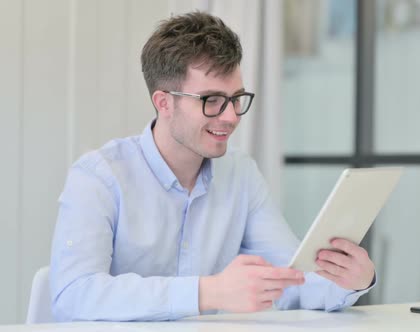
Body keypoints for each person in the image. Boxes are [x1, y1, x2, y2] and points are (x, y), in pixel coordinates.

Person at [50, 11, 376, 322]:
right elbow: (73, 294)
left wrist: (351, 281)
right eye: (212, 101)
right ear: (164, 102)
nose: (232, 116)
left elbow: (290, 280)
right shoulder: (99, 176)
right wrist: (208, 292)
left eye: (236, 98)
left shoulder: (240, 174)